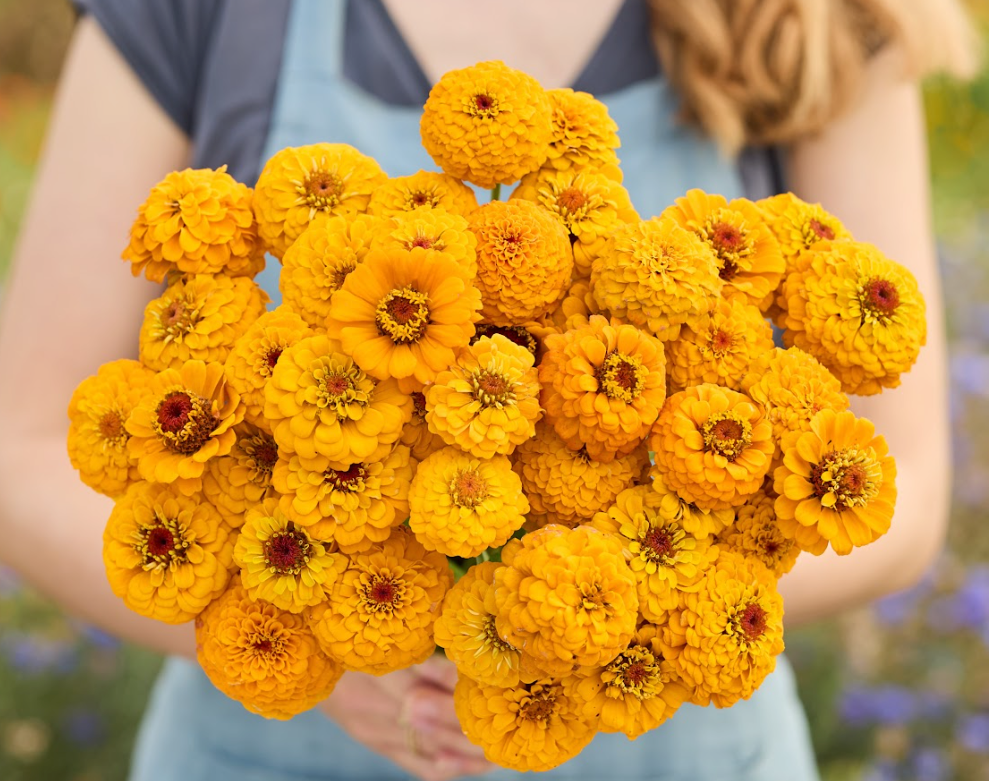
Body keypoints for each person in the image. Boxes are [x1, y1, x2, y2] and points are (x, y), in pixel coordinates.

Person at [0, 0, 977, 779]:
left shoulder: (820, 18)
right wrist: (331, 649)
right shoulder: (191, 10)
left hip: (670, 725)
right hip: (272, 730)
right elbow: (25, 445)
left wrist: (607, 629)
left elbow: (904, 492)